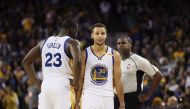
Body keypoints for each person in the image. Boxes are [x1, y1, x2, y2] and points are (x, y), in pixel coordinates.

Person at [22, 18, 81, 109]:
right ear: (71, 30)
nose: (76, 34)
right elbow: (78, 61)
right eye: (76, 32)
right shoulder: (72, 43)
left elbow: (26, 62)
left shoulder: (44, 42)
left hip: (46, 84)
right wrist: (76, 82)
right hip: (64, 84)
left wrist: (37, 83)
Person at [75, 23, 125, 109]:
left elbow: (118, 80)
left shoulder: (114, 54)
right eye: (97, 33)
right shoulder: (85, 54)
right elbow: (80, 79)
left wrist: (122, 103)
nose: (100, 36)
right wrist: (77, 101)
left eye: (102, 33)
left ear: (106, 35)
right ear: (92, 35)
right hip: (89, 96)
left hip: (107, 96)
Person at [114, 33, 162, 109]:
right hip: (116, 100)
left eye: (123, 43)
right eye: (118, 43)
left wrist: (148, 94)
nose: (120, 45)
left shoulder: (139, 60)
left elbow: (158, 75)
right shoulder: (115, 61)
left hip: (132, 101)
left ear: (130, 45)